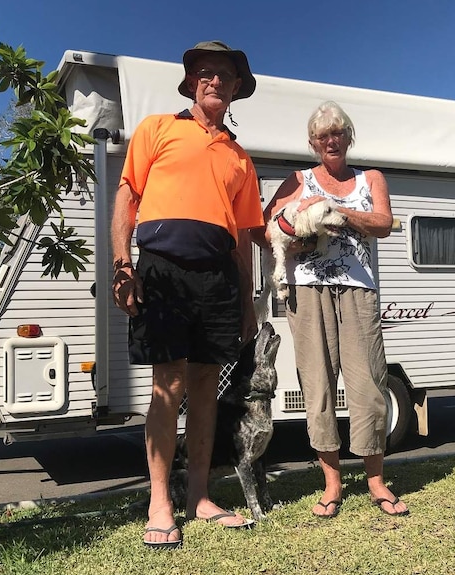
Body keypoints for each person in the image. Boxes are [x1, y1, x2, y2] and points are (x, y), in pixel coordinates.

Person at [111, 41, 264, 548]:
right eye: (204, 72)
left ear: (236, 87)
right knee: (167, 383)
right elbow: (127, 197)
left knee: (204, 386)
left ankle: (199, 496)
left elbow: (243, 239)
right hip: (162, 269)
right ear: (191, 82)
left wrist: (247, 300)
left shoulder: (240, 158)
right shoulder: (157, 128)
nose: (214, 79)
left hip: (219, 276)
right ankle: (160, 502)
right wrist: (122, 265)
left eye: (223, 73)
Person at [255, 101, 410, 518]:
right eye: (323, 136)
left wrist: (338, 213)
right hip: (307, 291)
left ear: (348, 137)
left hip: (358, 291)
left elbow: (382, 222)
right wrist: (299, 239)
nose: (331, 140)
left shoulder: (370, 177)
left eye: (338, 133)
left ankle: (376, 481)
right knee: (317, 387)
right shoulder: (298, 180)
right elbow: (265, 229)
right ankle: (332, 484)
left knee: (370, 387)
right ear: (313, 143)